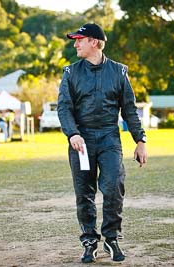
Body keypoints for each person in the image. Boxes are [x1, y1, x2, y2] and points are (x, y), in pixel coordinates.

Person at [57, 23, 147, 263]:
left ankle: (111, 237)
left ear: (94, 42)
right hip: (81, 142)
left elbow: (129, 110)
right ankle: (89, 241)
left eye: (79, 40)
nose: (75, 44)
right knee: (84, 192)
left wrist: (140, 139)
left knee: (113, 186)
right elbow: (64, 108)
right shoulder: (70, 72)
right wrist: (73, 133)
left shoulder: (119, 72)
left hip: (109, 138)